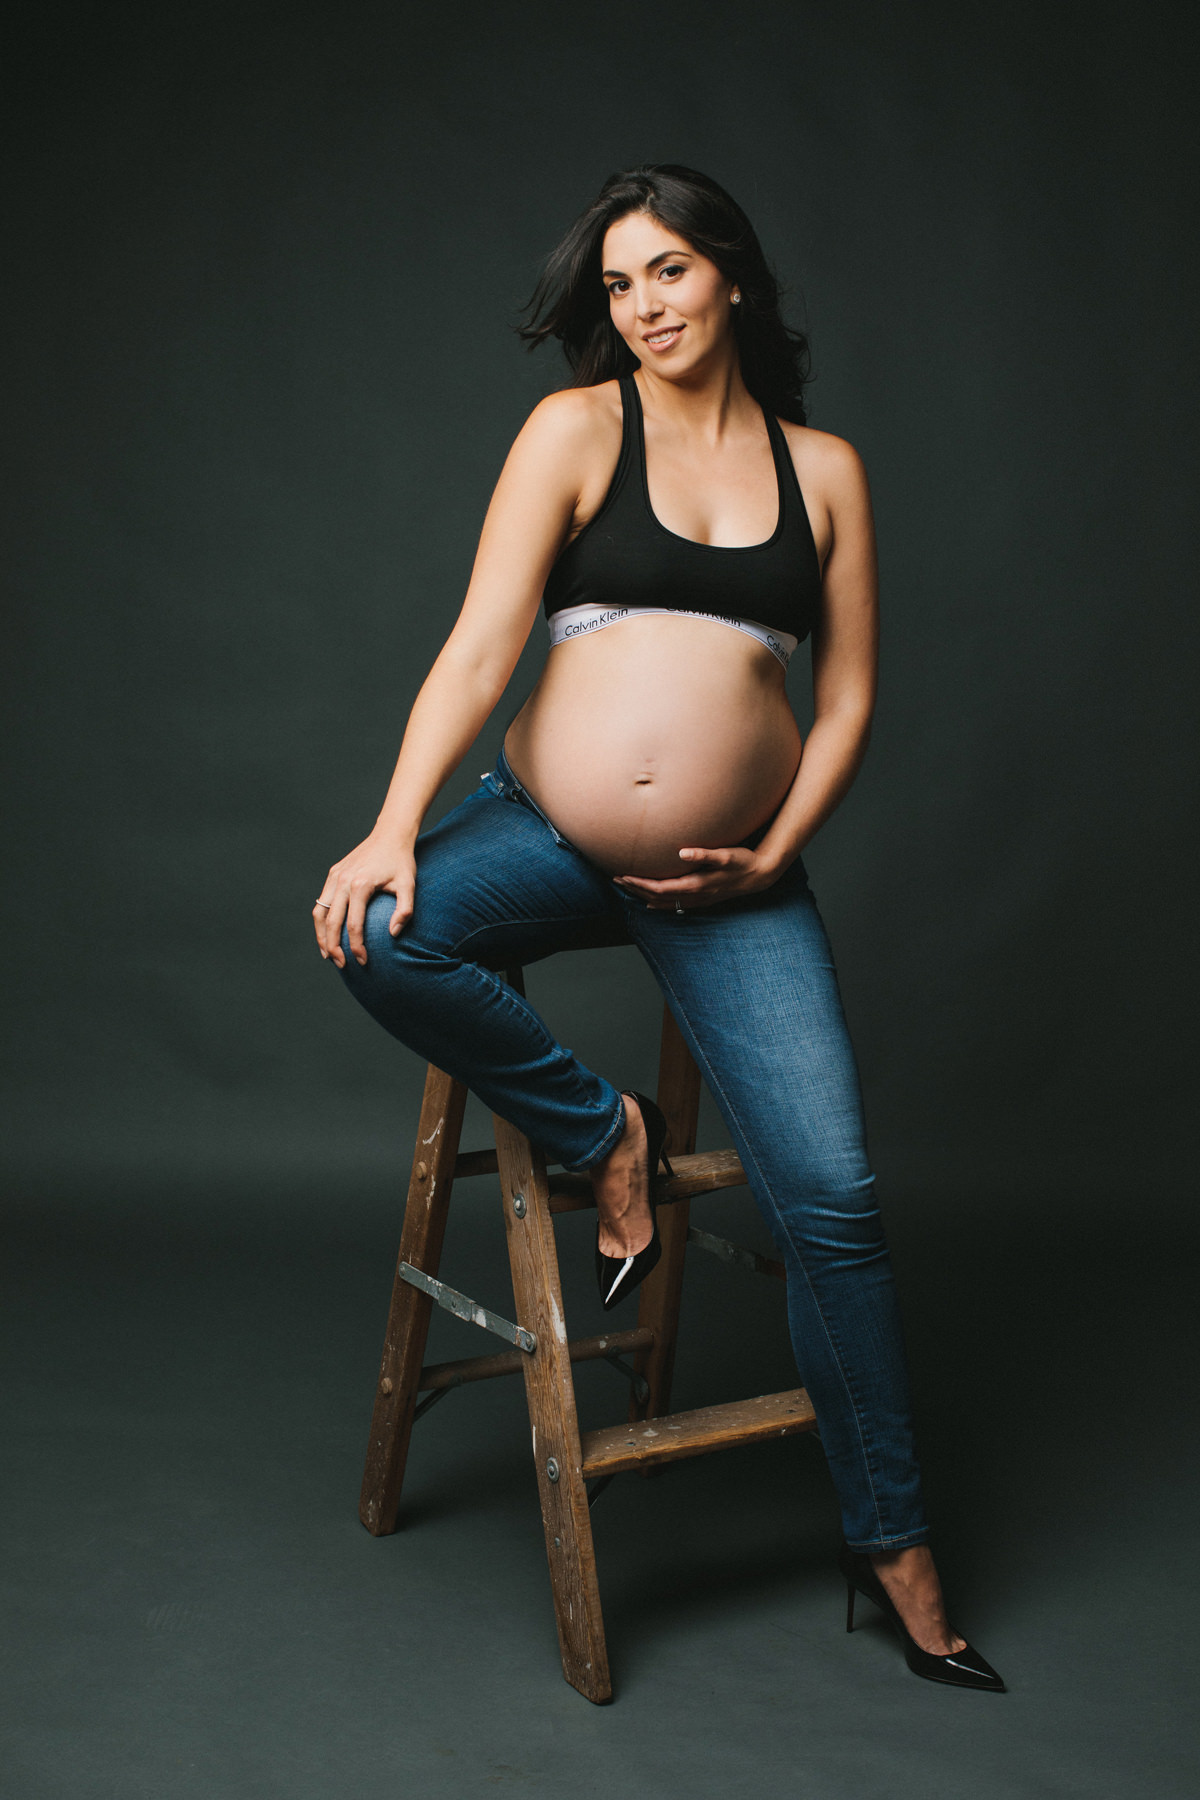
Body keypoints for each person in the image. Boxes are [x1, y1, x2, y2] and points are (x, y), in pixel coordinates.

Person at [312, 164, 1004, 1693]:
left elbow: (851, 699)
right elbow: (484, 639)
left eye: (672, 271)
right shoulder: (575, 431)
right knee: (379, 928)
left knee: (836, 1202)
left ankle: (893, 1546)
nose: (645, 306)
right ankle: (599, 1134)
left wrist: (773, 852)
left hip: (729, 880)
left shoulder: (824, 470)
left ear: (734, 279)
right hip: (548, 840)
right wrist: (389, 819)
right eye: (620, 285)